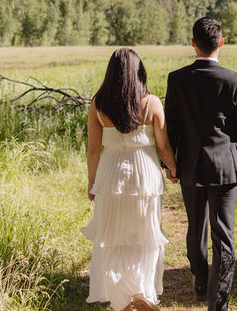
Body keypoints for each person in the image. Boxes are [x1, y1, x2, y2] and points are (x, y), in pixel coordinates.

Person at [164, 17, 237, 311]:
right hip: (225, 165)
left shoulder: (176, 79)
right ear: (221, 44)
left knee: (195, 227)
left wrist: (171, 164)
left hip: (189, 163)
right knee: (223, 236)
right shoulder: (234, 79)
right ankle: (219, 304)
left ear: (193, 44)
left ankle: (201, 280)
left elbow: (172, 126)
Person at [82, 48, 178, 311]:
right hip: (144, 174)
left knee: (113, 236)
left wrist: (92, 184)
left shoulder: (98, 104)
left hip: (111, 174)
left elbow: (93, 150)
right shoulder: (151, 103)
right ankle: (142, 294)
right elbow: (163, 145)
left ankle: (122, 299)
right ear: (139, 72)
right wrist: (172, 168)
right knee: (145, 234)